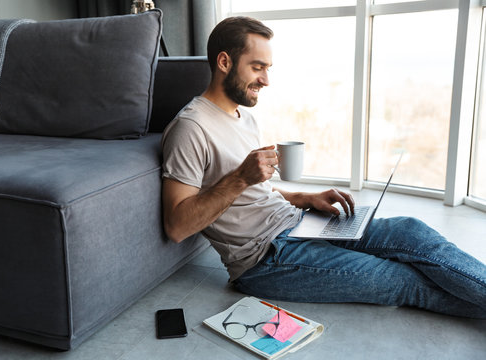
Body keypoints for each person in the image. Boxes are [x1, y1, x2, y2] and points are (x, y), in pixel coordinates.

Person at [161, 16, 486, 319]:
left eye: (268, 68)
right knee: (396, 278)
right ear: (224, 62)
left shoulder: (244, 117)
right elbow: (177, 226)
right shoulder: (190, 128)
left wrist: (304, 197)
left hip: (298, 222)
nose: (266, 80)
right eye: (257, 67)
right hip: (265, 259)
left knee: (410, 232)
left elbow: (252, 192)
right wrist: (240, 177)